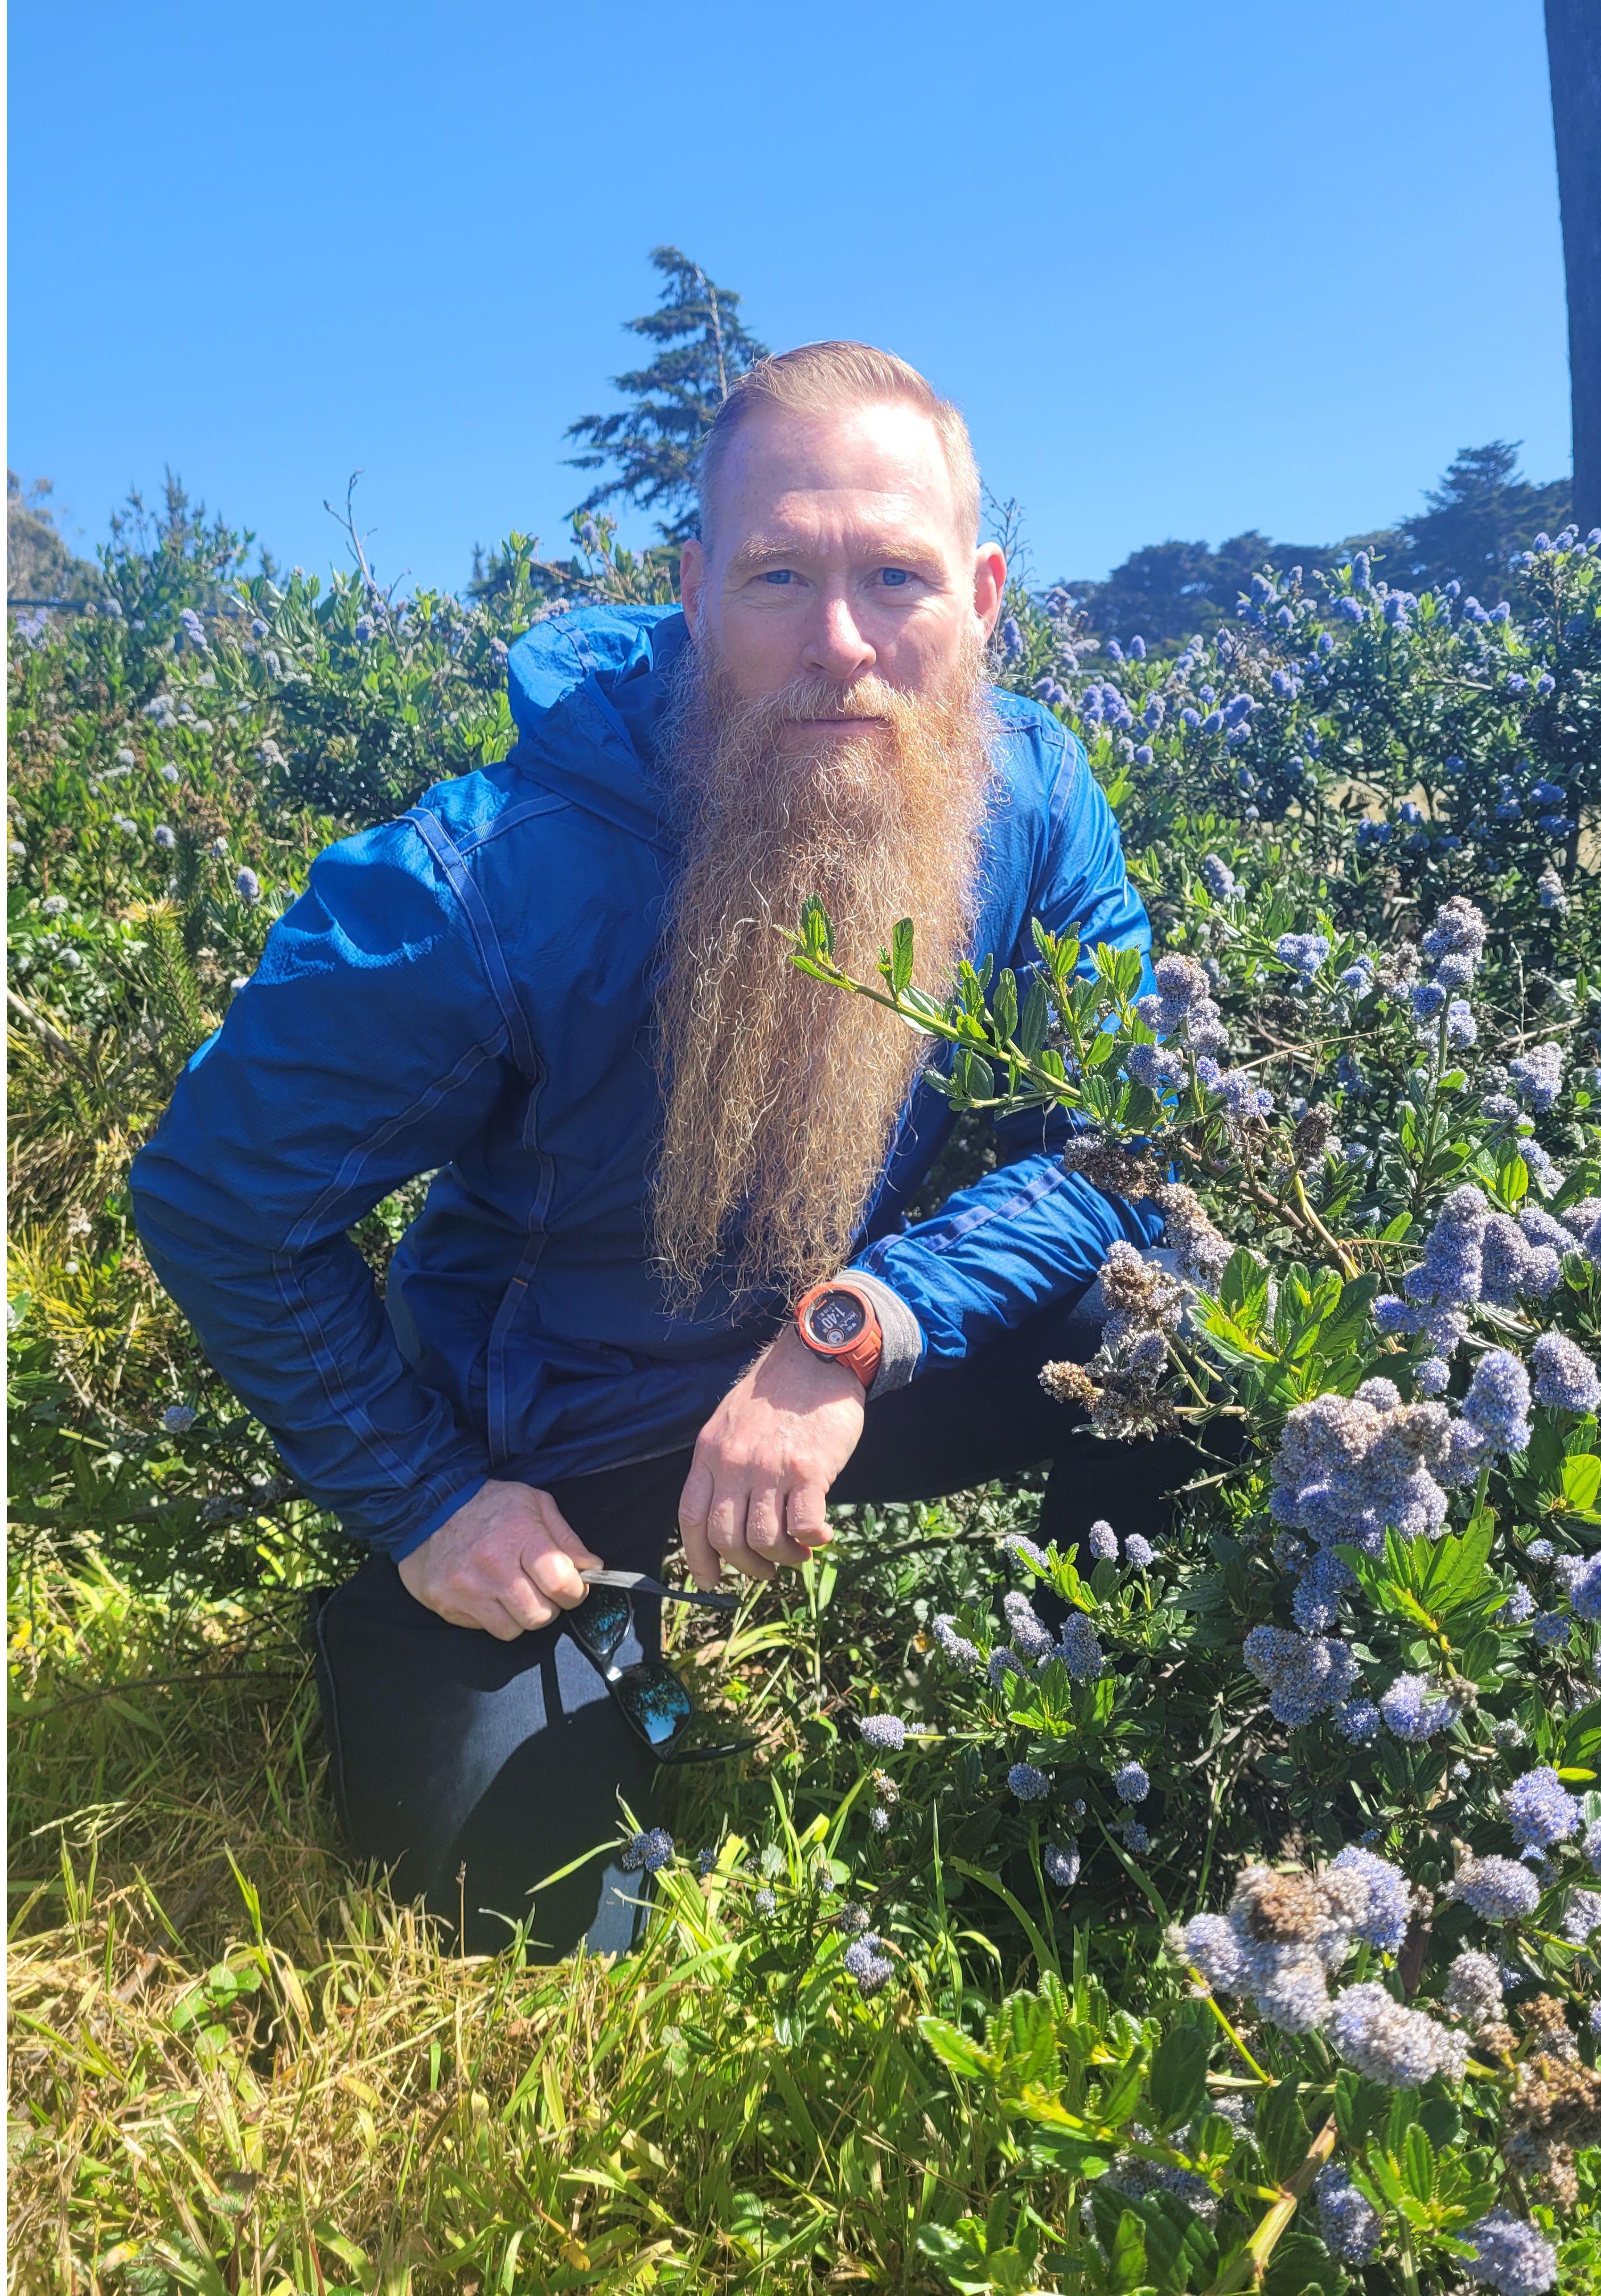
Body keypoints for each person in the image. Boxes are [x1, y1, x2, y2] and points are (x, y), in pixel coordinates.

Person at [130, 341, 1208, 1956]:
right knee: (533, 1931)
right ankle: (441, 1620)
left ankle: (1095, 1792)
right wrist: (428, 1503)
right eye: (780, 573)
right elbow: (216, 1197)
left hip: (840, 1377)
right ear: (696, 589)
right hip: (560, 1443)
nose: (841, 644)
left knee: (1178, 1334)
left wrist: (853, 1335)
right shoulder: (481, 881)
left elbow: (1133, 1139)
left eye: (896, 577)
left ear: (985, 595)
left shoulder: (1033, 792)